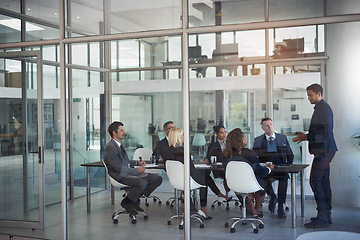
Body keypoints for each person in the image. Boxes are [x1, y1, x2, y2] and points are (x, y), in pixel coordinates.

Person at [292, 83, 337, 228]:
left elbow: (325, 134)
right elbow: (319, 131)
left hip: (325, 150)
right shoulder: (320, 108)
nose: (308, 98)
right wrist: (305, 135)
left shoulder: (324, 109)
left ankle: (323, 216)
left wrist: (306, 138)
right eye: (308, 95)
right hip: (324, 150)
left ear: (319, 94)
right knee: (323, 182)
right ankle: (325, 215)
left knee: (315, 181)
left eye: (310, 95)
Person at [103, 121, 163, 216]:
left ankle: (132, 200)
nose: (124, 132)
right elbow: (119, 168)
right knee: (142, 182)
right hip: (119, 175)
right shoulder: (111, 147)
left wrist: (137, 163)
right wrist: (136, 170)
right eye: (121, 130)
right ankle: (128, 202)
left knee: (157, 179)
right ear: (114, 133)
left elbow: (125, 162)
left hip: (127, 173)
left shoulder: (119, 145)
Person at [223, 128, 274, 218]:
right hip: (250, 184)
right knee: (261, 182)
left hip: (235, 184)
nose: (246, 138)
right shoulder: (250, 153)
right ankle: (256, 210)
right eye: (245, 136)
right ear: (240, 140)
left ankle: (252, 209)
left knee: (246, 185)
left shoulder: (227, 154)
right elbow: (259, 170)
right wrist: (269, 169)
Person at [253, 117, 294, 218]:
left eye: (271, 124)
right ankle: (273, 196)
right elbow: (254, 157)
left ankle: (280, 206)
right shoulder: (258, 140)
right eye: (266, 125)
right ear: (263, 128)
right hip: (266, 168)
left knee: (284, 179)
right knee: (263, 178)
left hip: (280, 167)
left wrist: (287, 166)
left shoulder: (282, 138)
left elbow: (290, 155)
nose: (269, 127)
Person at [167, 127, 212, 219]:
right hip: (187, 180)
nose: (184, 136)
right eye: (182, 135)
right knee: (205, 181)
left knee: (203, 177)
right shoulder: (183, 151)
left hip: (176, 181)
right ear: (178, 137)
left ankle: (192, 207)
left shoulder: (169, 151)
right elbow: (191, 170)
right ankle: (203, 210)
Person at [202, 125, 231, 200]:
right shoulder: (213, 145)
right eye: (221, 133)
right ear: (216, 134)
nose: (224, 134)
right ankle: (219, 194)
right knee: (205, 175)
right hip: (219, 169)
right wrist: (207, 159)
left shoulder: (229, 144)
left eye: (225, 132)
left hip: (230, 168)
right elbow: (210, 156)